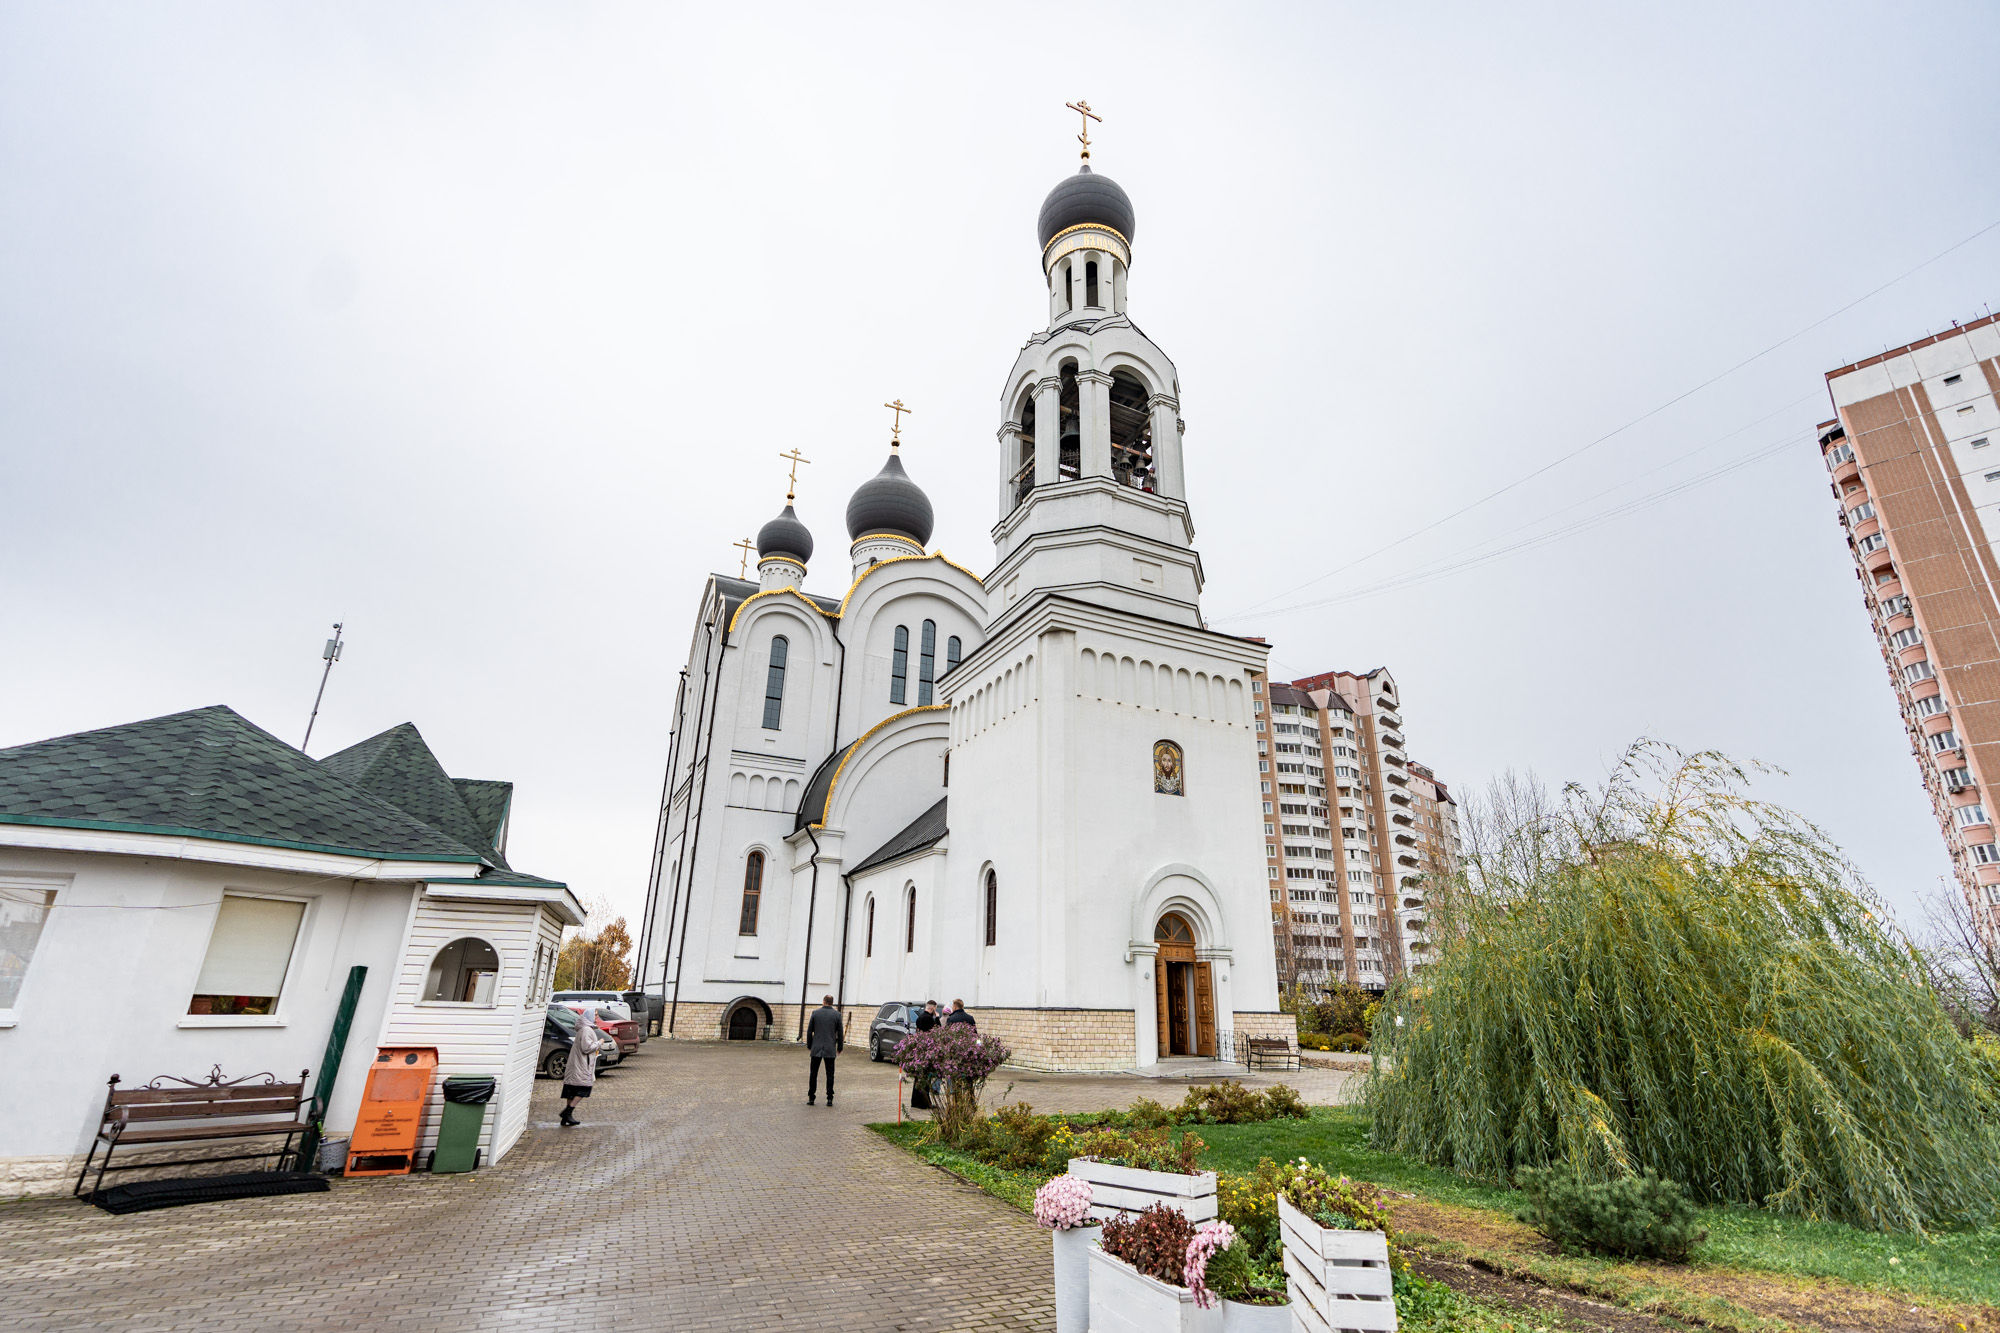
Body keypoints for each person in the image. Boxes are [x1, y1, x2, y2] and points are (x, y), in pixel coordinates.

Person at [560, 1010, 605, 1127]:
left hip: (577, 1064)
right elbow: (586, 1048)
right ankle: (567, 1112)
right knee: (584, 1088)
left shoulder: (584, 1029)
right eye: (595, 1014)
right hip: (582, 1065)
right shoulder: (586, 1030)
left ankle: (566, 1117)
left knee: (572, 1090)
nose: (597, 1016)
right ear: (590, 1016)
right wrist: (599, 1043)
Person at [806, 994, 843, 1106]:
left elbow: (809, 1031)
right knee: (830, 1074)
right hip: (830, 1048)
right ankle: (829, 1098)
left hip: (816, 1047)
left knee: (813, 1073)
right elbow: (840, 1033)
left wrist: (810, 1045)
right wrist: (840, 1047)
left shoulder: (815, 1013)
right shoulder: (837, 1015)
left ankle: (811, 1097)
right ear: (832, 1003)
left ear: (823, 1002)